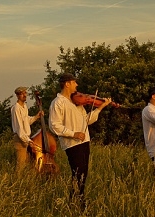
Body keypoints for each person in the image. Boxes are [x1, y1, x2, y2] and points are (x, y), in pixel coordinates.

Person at [48, 73, 112, 209]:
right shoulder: (57, 102)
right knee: (78, 173)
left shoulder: (76, 102)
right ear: (67, 84)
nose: (76, 85)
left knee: (83, 173)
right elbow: (54, 125)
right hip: (72, 143)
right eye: (74, 82)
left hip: (84, 141)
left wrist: (100, 107)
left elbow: (87, 120)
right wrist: (73, 134)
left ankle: (78, 200)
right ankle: (77, 202)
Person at [10, 86, 43, 174]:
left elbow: (27, 121)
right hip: (21, 139)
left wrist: (37, 116)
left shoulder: (24, 106)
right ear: (17, 95)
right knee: (21, 164)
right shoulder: (16, 108)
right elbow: (19, 128)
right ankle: (18, 182)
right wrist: (28, 141)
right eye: (22, 93)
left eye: (25, 93)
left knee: (27, 163)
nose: (24, 95)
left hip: (26, 138)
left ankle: (26, 181)